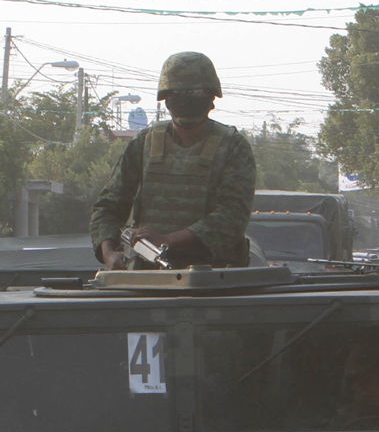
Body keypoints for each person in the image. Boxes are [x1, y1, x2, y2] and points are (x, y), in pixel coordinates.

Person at [90, 51, 256, 270]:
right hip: (148, 274)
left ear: (210, 98)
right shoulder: (145, 143)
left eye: (194, 93)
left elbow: (231, 218)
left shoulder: (232, 146)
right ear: (167, 99)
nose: (187, 101)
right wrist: (109, 253)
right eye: (179, 94)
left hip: (213, 275)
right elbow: (108, 207)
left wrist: (167, 240)